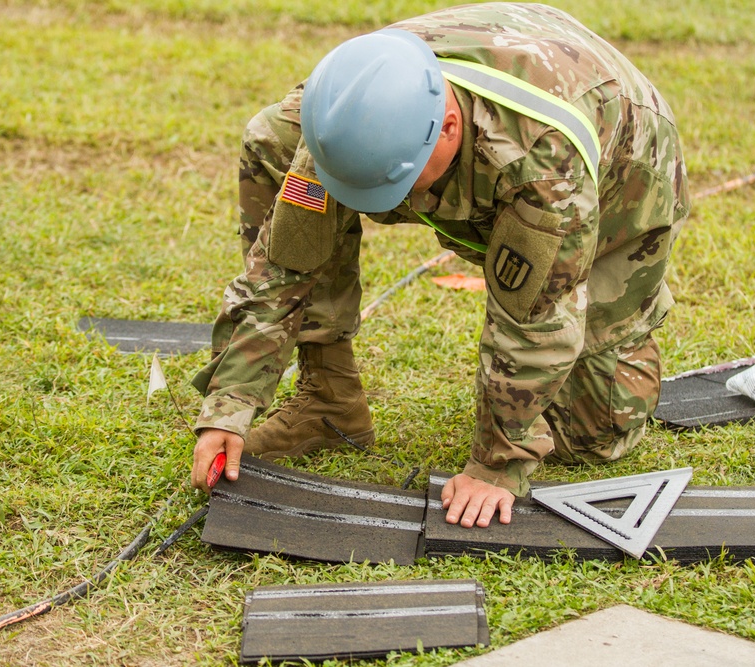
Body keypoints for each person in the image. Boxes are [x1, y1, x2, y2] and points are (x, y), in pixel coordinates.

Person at [190, 2, 690, 529]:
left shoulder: (544, 164)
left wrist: (498, 461)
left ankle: (621, 347)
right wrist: (232, 402)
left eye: (391, 182)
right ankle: (328, 399)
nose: (378, 203)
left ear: (447, 127)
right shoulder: (347, 119)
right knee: (274, 138)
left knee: (590, 437)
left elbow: (534, 318)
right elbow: (286, 263)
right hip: (487, 84)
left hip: (624, 173)